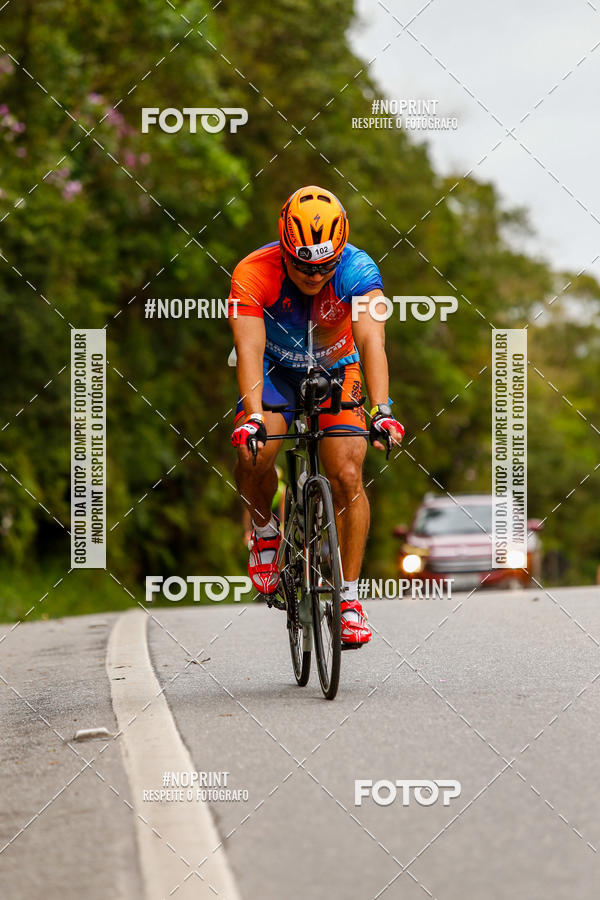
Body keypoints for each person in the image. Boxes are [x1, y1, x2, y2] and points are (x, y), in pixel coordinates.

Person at [229, 185, 404, 646]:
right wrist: (251, 415)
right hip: (274, 369)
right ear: (285, 249)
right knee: (257, 452)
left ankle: (347, 600)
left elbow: (372, 343)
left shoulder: (360, 270)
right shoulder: (252, 272)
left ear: (340, 251)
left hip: (338, 366)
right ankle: (265, 529)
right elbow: (246, 349)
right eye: (304, 264)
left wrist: (382, 410)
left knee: (347, 473)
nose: (315, 274)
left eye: (325, 265)